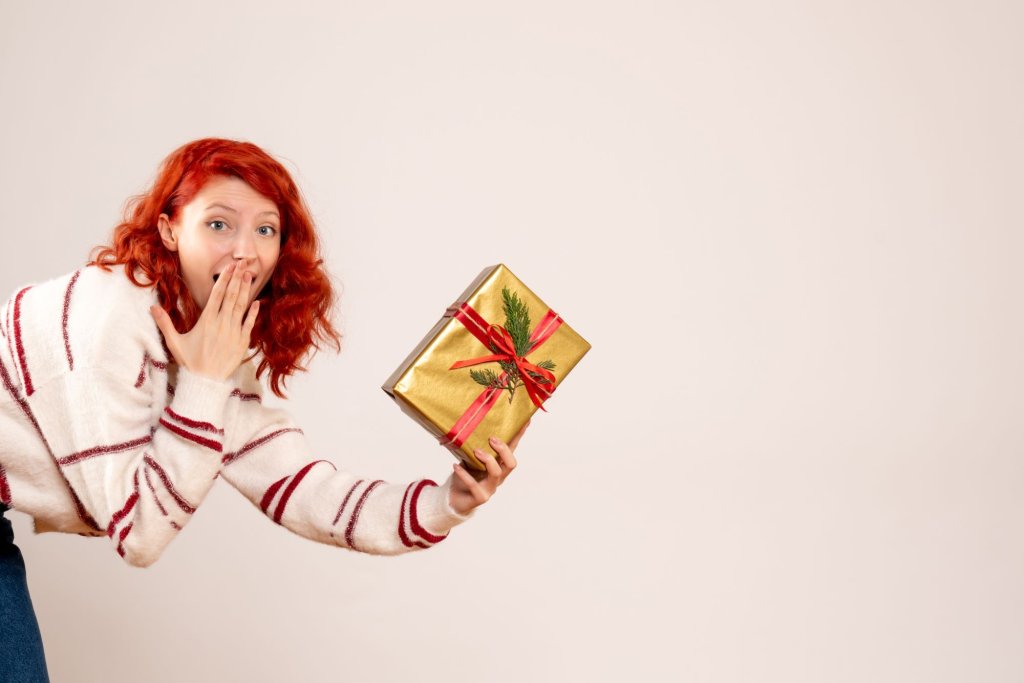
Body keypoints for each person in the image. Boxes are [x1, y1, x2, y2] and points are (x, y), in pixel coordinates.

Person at [0, 137, 529, 681]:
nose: (245, 252)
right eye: (219, 224)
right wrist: (204, 381)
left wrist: (448, 501)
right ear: (168, 229)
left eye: (265, 229)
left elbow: (305, 492)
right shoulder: (105, 312)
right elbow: (138, 534)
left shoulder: (213, 344)